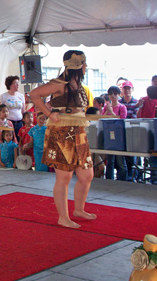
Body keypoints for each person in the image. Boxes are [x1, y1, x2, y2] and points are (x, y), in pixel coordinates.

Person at [30, 50, 96, 229]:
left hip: (79, 131)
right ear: (80, 65)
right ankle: (63, 217)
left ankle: (79, 209)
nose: (86, 67)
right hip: (62, 132)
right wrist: (49, 113)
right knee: (64, 177)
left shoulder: (78, 84)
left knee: (87, 174)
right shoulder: (59, 84)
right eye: (84, 64)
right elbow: (34, 94)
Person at [102, 86, 128, 181]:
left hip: (119, 136)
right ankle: (109, 179)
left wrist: (111, 112)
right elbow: (101, 119)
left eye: (115, 94)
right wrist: (107, 111)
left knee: (120, 160)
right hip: (108, 135)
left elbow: (122, 121)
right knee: (109, 160)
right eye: (110, 94)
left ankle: (122, 180)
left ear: (118, 95)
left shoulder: (122, 107)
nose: (113, 96)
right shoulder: (106, 106)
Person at [0, 75, 25, 142]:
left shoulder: (21, 96)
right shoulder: (3, 96)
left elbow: (23, 111)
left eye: (18, 83)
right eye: (16, 83)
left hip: (19, 123)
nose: (18, 85)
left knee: (19, 142)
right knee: (8, 142)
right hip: (8, 123)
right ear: (10, 85)